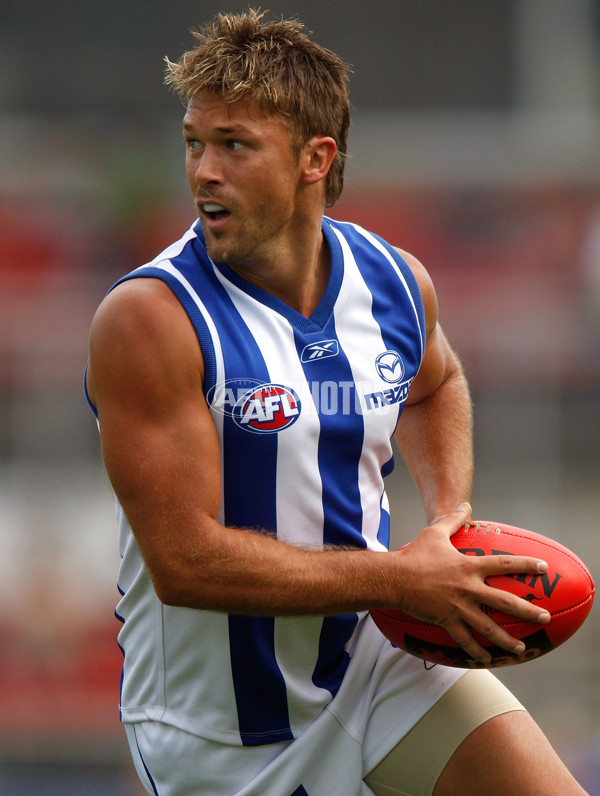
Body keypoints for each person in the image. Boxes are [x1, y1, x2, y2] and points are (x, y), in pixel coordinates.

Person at [85, 10, 588, 796]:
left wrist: (447, 518)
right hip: (219, 734)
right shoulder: (151, 318)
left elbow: (437, 383)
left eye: (235, 145)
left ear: (314, 159)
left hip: (376, 664)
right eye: (194, 142)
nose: (202, 171)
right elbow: (184, 562)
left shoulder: (393, 280)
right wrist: (399, 580)